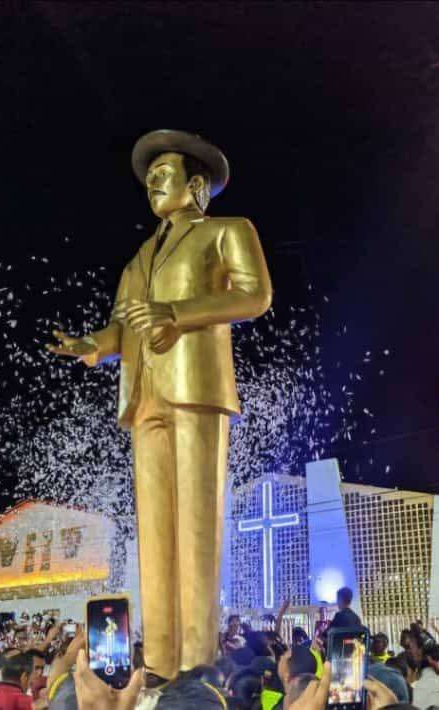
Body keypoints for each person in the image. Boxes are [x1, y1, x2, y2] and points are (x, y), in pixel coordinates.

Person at [47, 129, 273, 682]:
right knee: (155, 537)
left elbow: (255, 296)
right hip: (143, 394)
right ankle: (161, 663)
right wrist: (94, 346)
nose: (152, 183)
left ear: (196, 185)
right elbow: (125, 324)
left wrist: (178, 311)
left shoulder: (226, 231)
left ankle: (197, 664)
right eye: (148, 179)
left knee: (197, 529)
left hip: (196, 387)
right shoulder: (139, 259)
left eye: (162, 174)